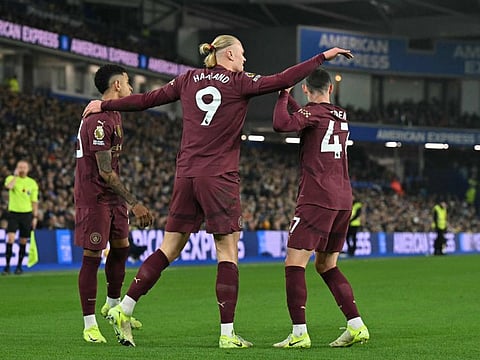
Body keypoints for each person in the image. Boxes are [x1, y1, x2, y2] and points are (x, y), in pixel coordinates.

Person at [82, 34, 353, 348]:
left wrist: (105, 103)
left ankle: (124, 306)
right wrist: (323, 56)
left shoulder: (187, 79)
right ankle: (227, 334)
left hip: (186, 175)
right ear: (228, 55)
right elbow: (284, 79)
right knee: (227, 252)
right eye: (241, 54)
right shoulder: (239, 82)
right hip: (219, 178)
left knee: (169, 247)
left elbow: (148, 100)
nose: (244, 60)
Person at [271, 67, 369, 348]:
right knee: (326, 264)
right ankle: (356, 325)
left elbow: (281, 124)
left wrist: (281, 96)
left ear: (305, 89)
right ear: (331, 89)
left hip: (317, 197)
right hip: (342, 199)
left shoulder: (311, 114)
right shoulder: (340, 115)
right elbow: (308, 115)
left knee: (294, 263)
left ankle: (299, 333)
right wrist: (294, 102)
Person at [74, 64, 153, 344]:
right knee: (93, 256)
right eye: (129, 82)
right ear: (117, 84)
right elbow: (105, 171)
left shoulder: (115, 112)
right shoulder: (98, 121)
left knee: (122, 247)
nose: (131, 87)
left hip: (112, 196)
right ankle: (89, 324)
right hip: (94, 196)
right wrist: (135, 203)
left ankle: (112, 304)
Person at [3, 160, 39, 275]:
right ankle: (7, 267)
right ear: (16, 168)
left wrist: (35, 217)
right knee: (10, 239)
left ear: (28, 169)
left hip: (27, 214)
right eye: (20, 167)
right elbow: (9, 187)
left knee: (23, 240)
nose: (22, 169)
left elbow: (34, 201)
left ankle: (19, 266)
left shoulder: (32, 183)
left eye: (24, 167)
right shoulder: (10, 178)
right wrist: (15, 176)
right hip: (13, 213)